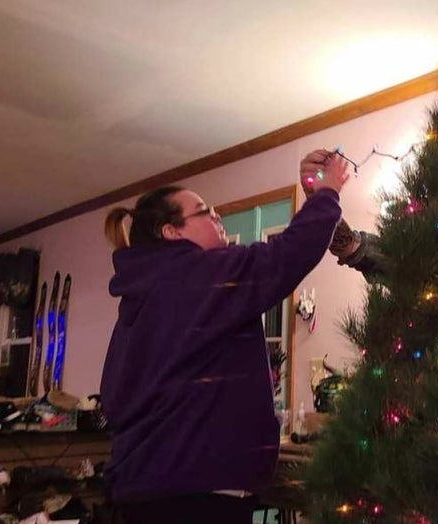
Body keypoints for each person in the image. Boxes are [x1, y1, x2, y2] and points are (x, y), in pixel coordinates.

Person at [100, 150, 349, 524]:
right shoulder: (194, 275)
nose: (217, 217)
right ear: (172, 232)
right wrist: (327, 193)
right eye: (204, 211)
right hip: (193, 492)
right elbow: (283, 256)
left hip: (149, 485)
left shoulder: (147, 291)